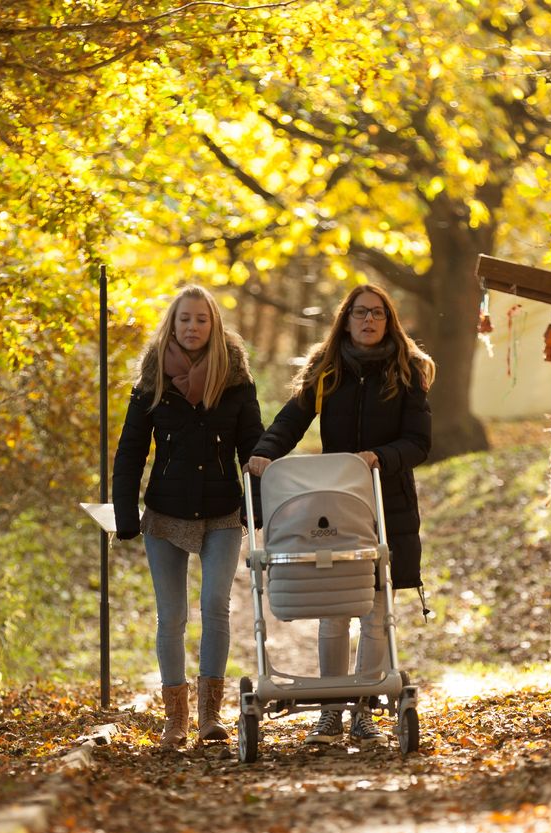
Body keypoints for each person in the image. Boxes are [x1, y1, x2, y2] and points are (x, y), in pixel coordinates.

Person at [246, 283, 434, 746]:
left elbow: (419, 442)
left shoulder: (407, 371)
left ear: (389, 321)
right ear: (345, 320)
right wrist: (264, 454)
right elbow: (291, 419)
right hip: (333, 506)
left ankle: (364, 710)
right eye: (359, 313)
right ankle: (331, 711)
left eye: (377, 313)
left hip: (386, 502)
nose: (368, 320)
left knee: (374, 608)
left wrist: (378, 457)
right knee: (334, 604)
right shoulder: (327, 371)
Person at [113, 285, 265, 747]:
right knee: (171, 616)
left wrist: (258, 505)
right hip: (165, 513)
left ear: (213, 324)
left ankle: (209, 717)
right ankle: (174, 720)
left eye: (201, 319)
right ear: (172, 324)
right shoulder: (152, 380)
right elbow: (131, 451)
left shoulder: (235, 379)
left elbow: (254, 448)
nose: (192, 327)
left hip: (222, 510)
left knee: (216, 607)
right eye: (185, 319)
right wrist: (125, 512)